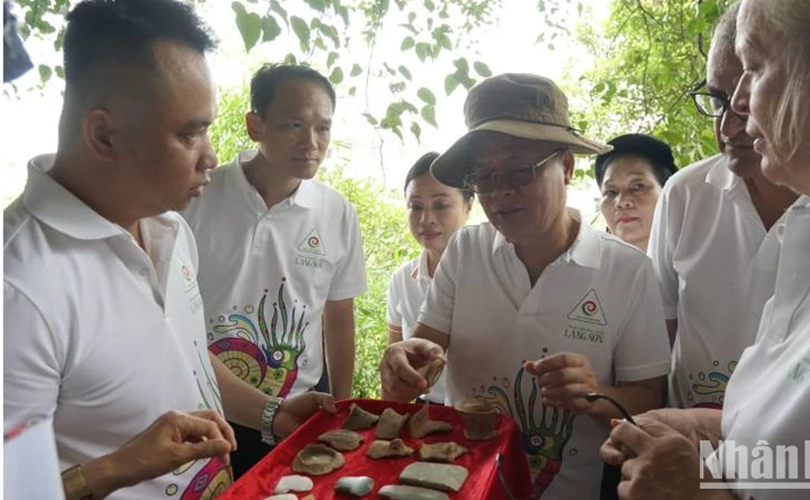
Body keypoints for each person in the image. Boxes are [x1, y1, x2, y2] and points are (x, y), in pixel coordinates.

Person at [3, 2, 332, 499]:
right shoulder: (19, 288)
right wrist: (115, 468)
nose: (211, 156)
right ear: (104, 135)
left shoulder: (171, 230)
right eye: (188, 132)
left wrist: (274, 413)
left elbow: (190, 356)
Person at [602, 0, 810, 498]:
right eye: (721, 92)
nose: (736, 106)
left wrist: (705, 494)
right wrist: (718, 432)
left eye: (754, 68)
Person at [380, 73, 672, 499]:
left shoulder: (627, 270)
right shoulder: (466, 250)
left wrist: (592, 394)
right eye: (486, 177)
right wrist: (402, 363)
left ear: (567, 166)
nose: (501, 192)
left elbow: (649, 400)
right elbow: (422, 351)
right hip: (461, 484)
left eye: (519, 171)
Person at [182, 63, 367, 475]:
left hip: (299, 407)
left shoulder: (337, 213)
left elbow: (338, 319)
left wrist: (341, 405)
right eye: (293, 125)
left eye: (323, 128)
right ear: (255, 125)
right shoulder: (197, 197)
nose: (311, 142)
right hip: (208, 408)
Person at [647, 3, 798, 409]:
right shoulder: (684, 194)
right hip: (685, 455)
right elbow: (658, 335)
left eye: (749, 101)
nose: (730, 126)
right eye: (717, 99)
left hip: (809, 464)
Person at [386, 152, 474, 404]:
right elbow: (397, 361)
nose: (426, 219)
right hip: (423, 410)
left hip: (479, 412)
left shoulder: (491, 274)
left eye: (441, 205)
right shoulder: (402, 279)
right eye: (415, 206)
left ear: (468, 206)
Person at [594, 133, 677, 252]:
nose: (622, 202)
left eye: (638, 187)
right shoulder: (587, 268)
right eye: (611, 192)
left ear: (668, 192)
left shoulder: (702, 261)